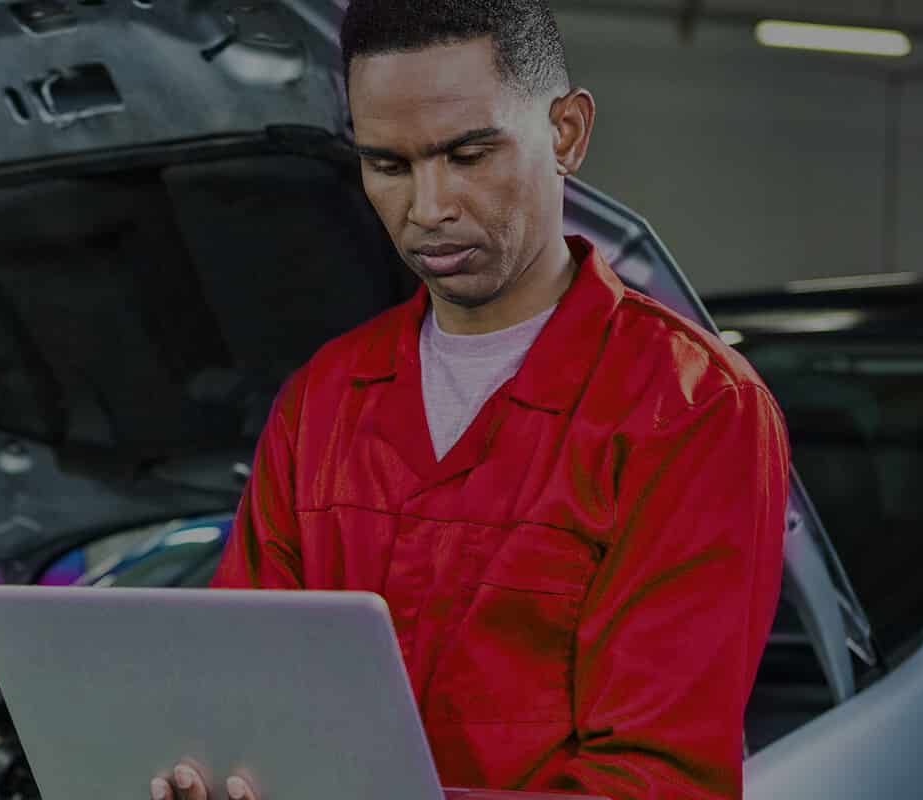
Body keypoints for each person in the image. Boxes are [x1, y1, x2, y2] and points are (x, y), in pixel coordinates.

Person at [153, 2, 790, 799]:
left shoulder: (691, 412)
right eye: (387, 165)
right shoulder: (322, 400)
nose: (427, 209)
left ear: (566, 133)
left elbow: (655, 778)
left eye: (468, 154)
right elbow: (244, 699)